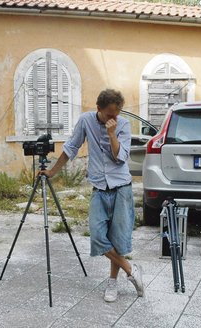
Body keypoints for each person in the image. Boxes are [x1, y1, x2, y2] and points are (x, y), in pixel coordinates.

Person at [41, 89, 144, 303]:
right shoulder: (86, 120)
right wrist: (52, 171)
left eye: (117, 113)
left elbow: (120, 158)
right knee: (98, 237)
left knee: (117, 239)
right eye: (109, 114)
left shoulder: (122, 125)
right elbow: (71, 147)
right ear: (99, 109)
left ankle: (112, 282)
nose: (113, 118)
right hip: (99, 188)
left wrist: (112, 134)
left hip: (121, 188)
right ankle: (131, 269)